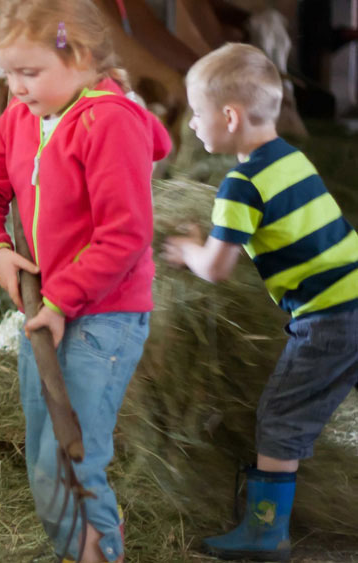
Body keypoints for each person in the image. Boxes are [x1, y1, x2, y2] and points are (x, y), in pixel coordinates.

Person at [0, 1, 171, 561]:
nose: (15, 87)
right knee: (45, 460)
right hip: (46, 311)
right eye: (7, 73)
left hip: (103, 316)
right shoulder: (21, 118)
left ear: (79, 58)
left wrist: (61, 300)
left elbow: (125, 235)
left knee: (73, 460)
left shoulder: (110, 124)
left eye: (28, 73)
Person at [163, 42, 358, 561]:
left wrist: (187, 249)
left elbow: (217, 269)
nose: (196, 127)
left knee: (280, 416)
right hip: (355, 292)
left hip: (327, 316)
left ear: (230, 115)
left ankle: (265, 531)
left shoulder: (241, 184)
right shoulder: (292, 159)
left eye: (199, 116)